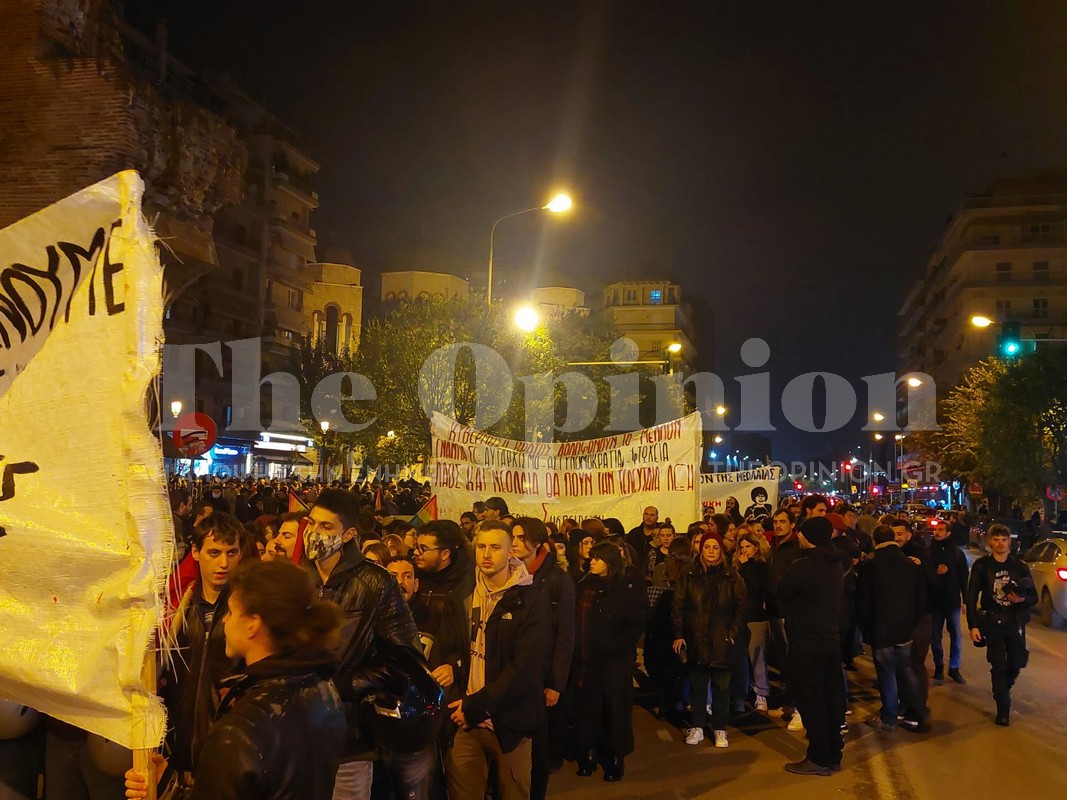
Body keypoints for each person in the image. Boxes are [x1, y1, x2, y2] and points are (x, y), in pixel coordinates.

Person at [125, 559, 348, 800]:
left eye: (231, 612)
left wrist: (171, 790)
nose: (224, 620)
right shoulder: (322, 690)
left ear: (253, 624)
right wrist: (170, 781)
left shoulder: (241, 730)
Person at [303, 489, 427, 800]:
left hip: (349, 739)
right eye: (311, 523)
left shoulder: (375, 583)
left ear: (348, 535)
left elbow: (407, 657)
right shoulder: (297, 579)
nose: (314, 533)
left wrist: (346, 685)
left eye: (326, 527)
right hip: (297, 734)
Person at [446, 522, 549, 800]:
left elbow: (524, 668)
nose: (487, 554)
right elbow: (450, 646)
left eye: (495, 547)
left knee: (513, 792)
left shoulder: (528, 598)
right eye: (481, 546)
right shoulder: (464, 593)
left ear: (510, 551)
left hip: (509, 721)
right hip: (464, 719)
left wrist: (475, 706)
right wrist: (456, 695)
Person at [159, 512, 245, 791]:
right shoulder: (176, 609)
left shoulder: (248, 612)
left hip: (227, 753)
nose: (224, 563)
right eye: (214, 552)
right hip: (176, 748)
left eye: (232, 552)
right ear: (195, 552)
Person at [571, 541, 648, 781]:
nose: (591, 562)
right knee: (588, 708)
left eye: (597, 558)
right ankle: (588, 752)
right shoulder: (584, 586)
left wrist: (618, 646)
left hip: (615, 659)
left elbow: (636, 620)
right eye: (591, 558)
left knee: (615, 708)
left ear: (610, 562)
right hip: (587, 658)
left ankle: (616, 755)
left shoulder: (623, 587)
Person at [510, 517, 576, 798]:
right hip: (513, 672)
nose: (514, 543)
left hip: (542, 675)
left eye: (520, 537)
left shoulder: (557, 579)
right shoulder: (509, 574)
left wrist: (556, 683)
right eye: (512, 537)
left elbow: (566, 635)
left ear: (536, 542)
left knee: (538, 748)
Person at [775, 518, 845, 776]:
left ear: (810, 537)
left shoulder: (803, 566)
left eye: (802, 533)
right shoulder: (835, 563)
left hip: (806, 642)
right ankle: (833, 752)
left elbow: (782, 591)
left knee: (810, 701)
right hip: (830, 640)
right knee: (830, 698)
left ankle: (819, 757)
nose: (798, 537)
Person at [672, 530, 746, 748]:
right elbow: (678, 606)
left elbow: (741, 606)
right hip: (696, 637)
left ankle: (721, 729)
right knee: (698, 685)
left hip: (722, 639)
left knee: (722, 687)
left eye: (715, 547)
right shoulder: (689, 574)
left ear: (721, 550)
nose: (711, 551)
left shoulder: (731, 575)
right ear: (700, 549)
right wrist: (678, 634)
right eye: (707, 547)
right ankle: (697, 726)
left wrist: (732, 632)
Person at [966, 524, 1037, 726]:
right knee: (998, 664)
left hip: (1015, 622)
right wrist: (973, 625)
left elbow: (1034, 597)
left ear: (1009, 542)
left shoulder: (1019, 566)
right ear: (990, 542)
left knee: (1016, 663)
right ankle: (1003, 709)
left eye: (1004, 540)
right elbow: (972, 597)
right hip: (993, 622)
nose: (1000, 544)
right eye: (996, 540)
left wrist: (1022, 600)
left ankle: (1003, 688)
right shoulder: (982, 566)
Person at [856, 525, 925, 732]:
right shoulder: (910, 564)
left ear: (875, 541)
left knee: (887, 674)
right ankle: (916, 713)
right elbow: (920, 599)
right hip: (904, 629)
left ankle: (889, 717)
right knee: (906, 671)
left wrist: (865, 628)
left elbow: (863, 602)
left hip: (881, 629)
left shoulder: (871, 566)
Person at [767, 508, 803, 730]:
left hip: (788, 613)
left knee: (795, 663)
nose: (778, 525)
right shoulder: (775, 546)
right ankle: (789, 704)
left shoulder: (796, 548)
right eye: (775, 521)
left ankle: (800, 710)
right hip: (774, 611)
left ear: (792, 524)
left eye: (782, 521)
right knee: (785, 664)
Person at [928, 517, 970, 685]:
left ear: (948, 533)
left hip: (952, 602)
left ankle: (954, 668)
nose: (937, 533)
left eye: (941, 530)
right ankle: (939, 666)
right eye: (936, 530)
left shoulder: (957, 553)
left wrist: (965, 600)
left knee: (956, 636)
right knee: (935, 636)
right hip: (934, 602)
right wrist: (935, 573)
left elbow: (963, 578)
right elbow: (924, 574)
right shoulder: (929, 552)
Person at [734, 529, 771, 711]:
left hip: (755, 617)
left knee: (757, 657)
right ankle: (742, 692)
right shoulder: (736, 567)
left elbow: (757, 587)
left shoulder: (761, 567)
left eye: (748, 546)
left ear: (756, 548)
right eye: (741, 547)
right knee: (740, 659)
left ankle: (761, 693)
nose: (744, 550)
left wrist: (747, 566)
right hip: (738, 618)